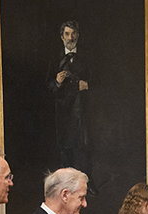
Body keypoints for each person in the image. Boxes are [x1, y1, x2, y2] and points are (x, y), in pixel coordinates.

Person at [47, 21, 91, 186]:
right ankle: (66, 184)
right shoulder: (55, 60)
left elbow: (102, 82)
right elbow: (48, 87)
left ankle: (88, 182)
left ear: (78, 36)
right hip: (64, 113)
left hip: (83, 111)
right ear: (61, 37)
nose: (70, 37)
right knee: (66, 149)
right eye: (67, 34)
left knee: (85, 147)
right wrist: (57, 83)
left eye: (73, 34)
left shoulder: (86, 58)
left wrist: (88, 85)